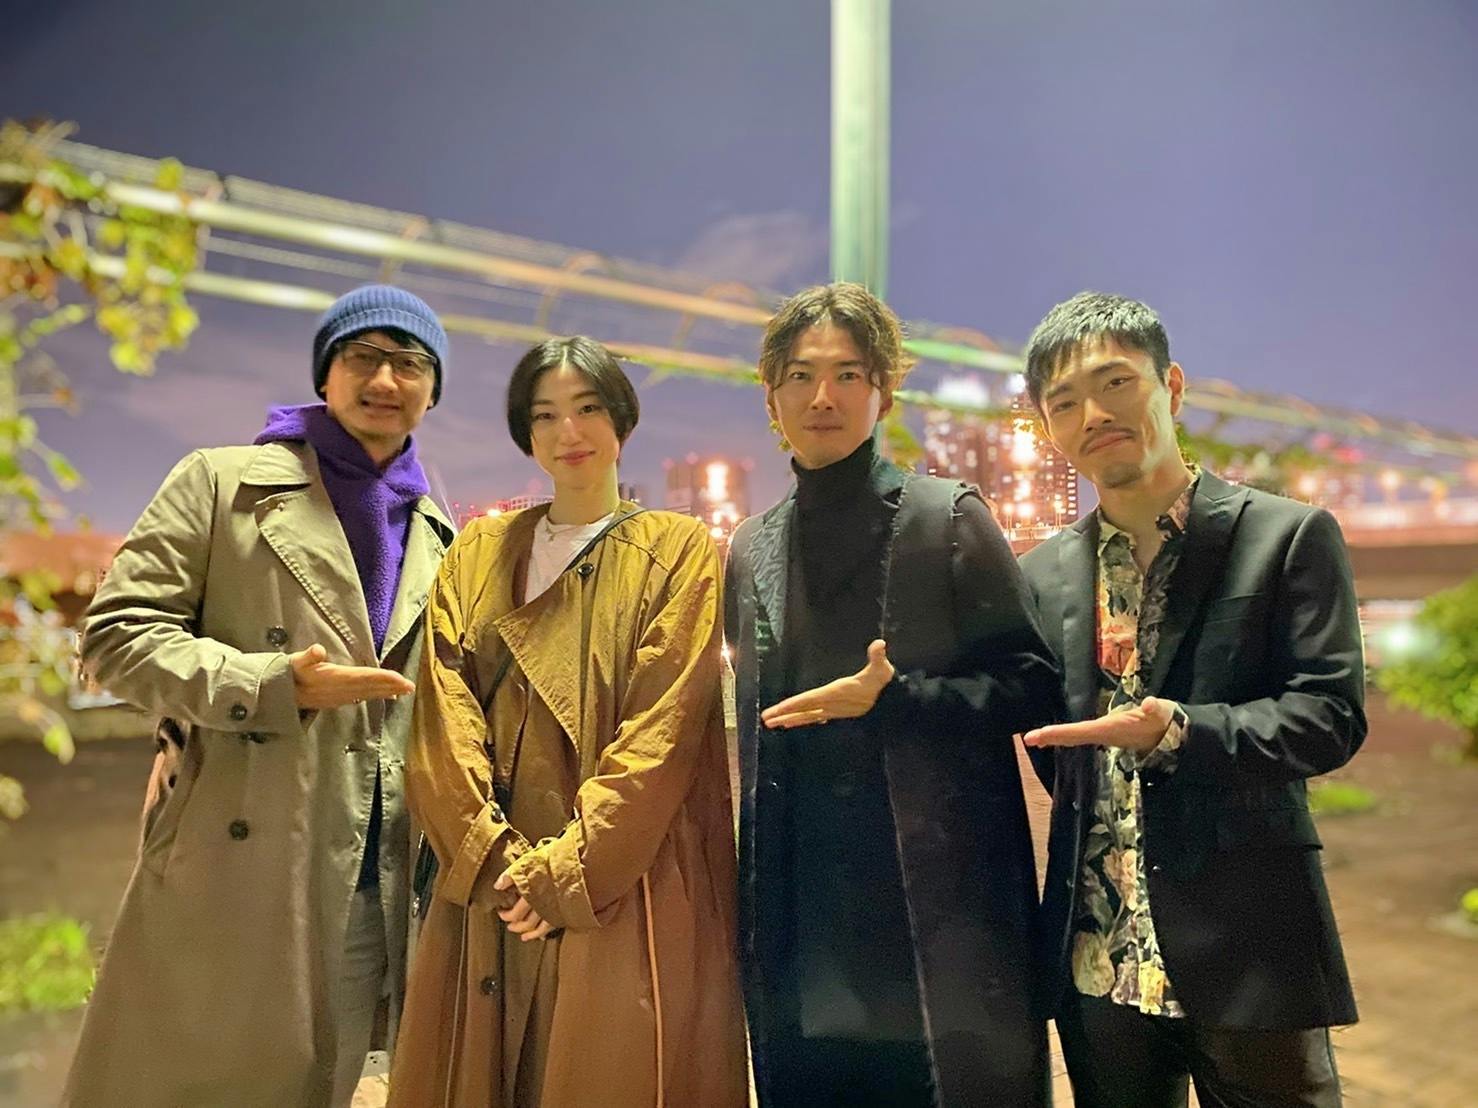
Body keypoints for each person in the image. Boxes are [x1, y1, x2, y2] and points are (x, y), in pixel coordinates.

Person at [64, 285, 457, 1107]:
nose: (386, 379)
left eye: (410, 362)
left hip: (372, 882)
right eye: (364, 356)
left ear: (432, 389)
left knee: (328, 1077)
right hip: (238, 861)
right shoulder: (220, 482)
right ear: (326, 374)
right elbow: (117, 636)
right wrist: (270, 684)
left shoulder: (437, 527)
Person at [1018, 291, 1364, 1108]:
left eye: (1115, 383)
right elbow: (1050, 746)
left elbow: (1330, 717)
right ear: (1048, 427)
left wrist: (1178, 730)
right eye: (1064, 402)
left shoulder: (1285, 536)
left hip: (1250, 944)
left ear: (1171, 387)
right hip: (1098, 956)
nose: (1093, 414)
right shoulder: (1040, 574)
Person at [725, 282, 1064, 1106]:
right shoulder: (751, 547)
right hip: (801, 918)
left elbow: (1034, 686)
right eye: (801, 375)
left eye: (848, 373)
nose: (823, 396)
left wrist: (898, 698)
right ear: (772, 399)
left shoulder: (947, 520)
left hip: (935, 910)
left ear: (883, 392)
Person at [388, 336, 747, 1108]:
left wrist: (565, 874)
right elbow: (441, 710)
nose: (569, 432)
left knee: (605, 1066)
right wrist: (490, 858)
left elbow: (664, 729)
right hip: (494, 881)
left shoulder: (676, 549)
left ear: (622, 420)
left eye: (588, 408)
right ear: (526, 433)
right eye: (545, 415)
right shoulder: (479, 549)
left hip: (618, 878)